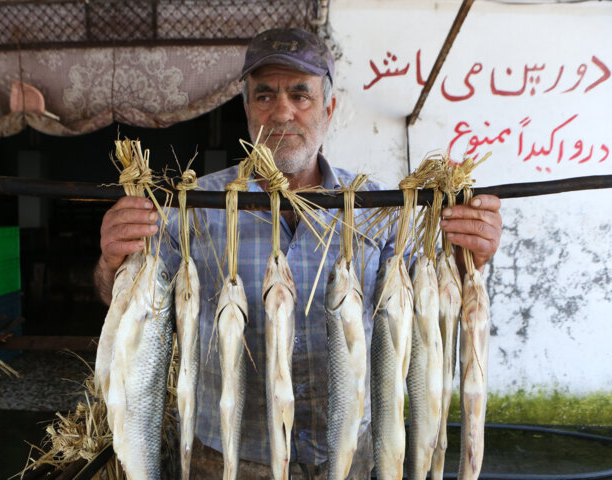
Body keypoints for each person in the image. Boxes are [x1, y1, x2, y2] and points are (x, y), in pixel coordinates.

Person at [94, 28, 502, 479]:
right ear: (247, 109)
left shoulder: (378, 207)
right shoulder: (192, 206)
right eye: (265, 96)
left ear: (328, 110)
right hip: (229, 455)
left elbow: (430, 304)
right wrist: (112, 261)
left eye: (300, 95)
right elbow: (123, 303)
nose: (282, 111)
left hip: (349, 451)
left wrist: (472, 259)